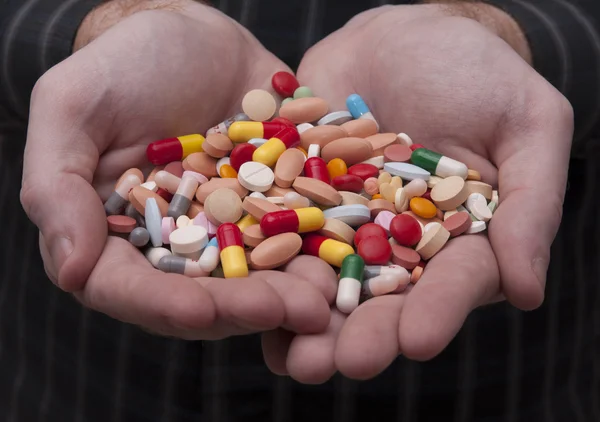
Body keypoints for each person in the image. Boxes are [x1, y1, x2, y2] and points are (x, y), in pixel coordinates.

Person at [0, 0, 598, 420]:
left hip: (496, 383)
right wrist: (104, 24)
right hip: (91, 382)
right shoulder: (227, 171)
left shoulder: (357, 174)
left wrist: (506, 34)